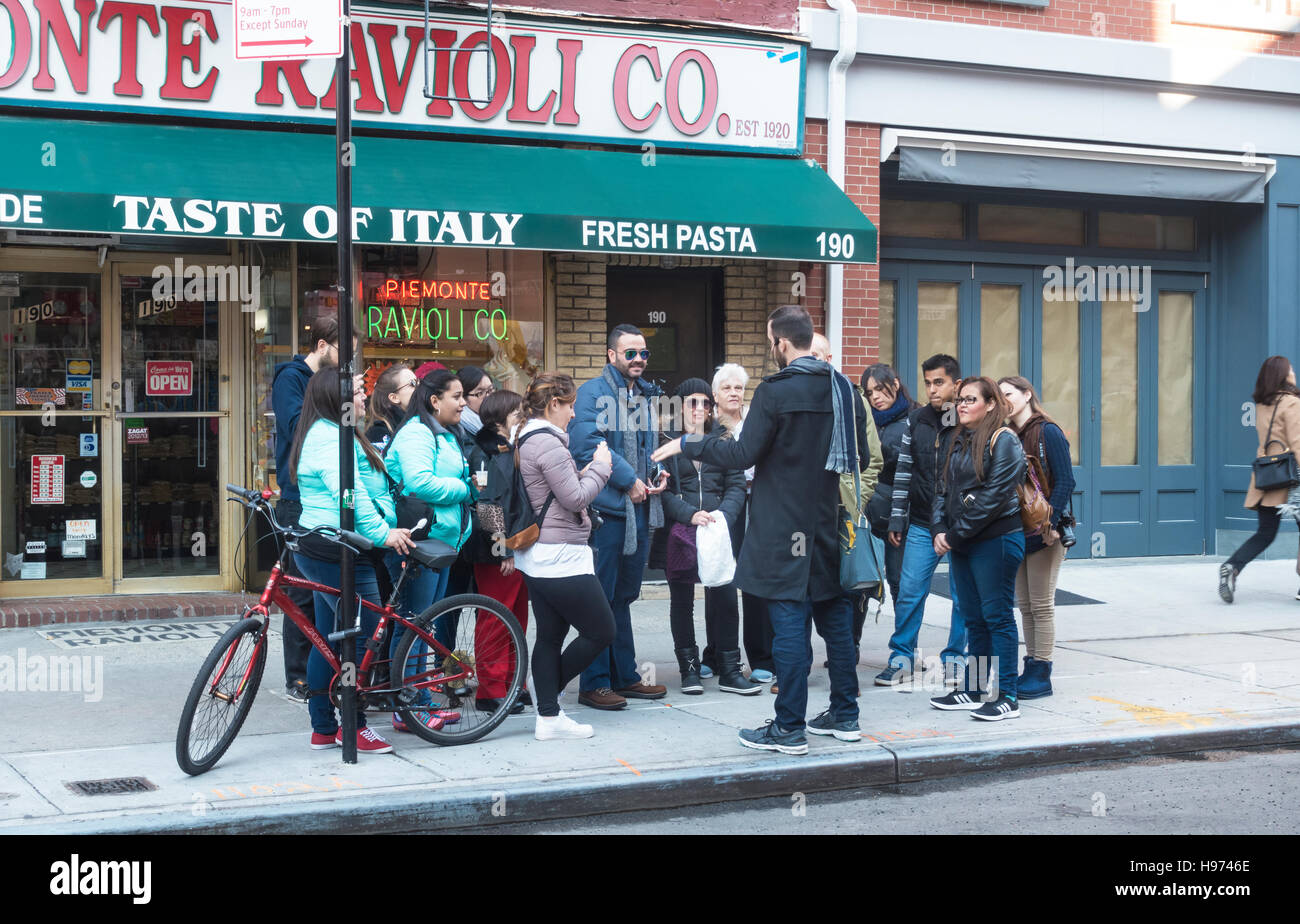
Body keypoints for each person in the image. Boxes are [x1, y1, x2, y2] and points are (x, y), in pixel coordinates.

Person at [653, 305, 871, 755]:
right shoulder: (844, 390)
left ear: (782, 343)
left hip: (781, 528)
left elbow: (742, 455)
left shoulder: (776, 391)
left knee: (789, 622)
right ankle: (845, 715)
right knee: (833, 618)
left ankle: (789, 726)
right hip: (827, 524)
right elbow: (862, 459)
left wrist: (689, 442)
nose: (772, 348)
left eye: (771, 341)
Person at [287, 369, 415, 753]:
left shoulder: (333, 432)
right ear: (338, 399)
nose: (364, 398)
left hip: (329, 546)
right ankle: (353, 727)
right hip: (340, 551)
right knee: (362, 638)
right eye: (359, 392)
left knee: (329, 640)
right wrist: (384, 534)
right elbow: (350, 496)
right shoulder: (331, 439)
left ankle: (324, 728)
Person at [567, 324, 670, 710]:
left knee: (624, 597)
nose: (639, 359)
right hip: (607, 512)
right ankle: (593, 683)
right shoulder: (593, 393)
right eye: (630, 353)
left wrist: (657, 471)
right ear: (612, 355)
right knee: (601, 597)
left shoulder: (643, 396)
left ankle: (624, 676)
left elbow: (645, 448)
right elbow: (586, 446)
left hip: (639, 511)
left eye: (643, 353)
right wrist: (629, 481)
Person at [515, 373, 616, 740]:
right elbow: (574, 499)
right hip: (560, 555)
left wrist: (584, 474)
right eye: (569, 405)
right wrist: (602, 467)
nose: (573, 413)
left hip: (540, 554)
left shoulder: (528, 439)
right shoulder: (549, 444)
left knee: (550, 636)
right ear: (553, 404)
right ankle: (547, 698)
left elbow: (559, 491)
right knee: (602, 630)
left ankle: (548, 718)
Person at [929, 376, 1027, 721]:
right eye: (960, 400)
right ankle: (972, 690)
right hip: (963, 540)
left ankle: (1007, 696)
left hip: (996, 540)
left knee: (997, 616)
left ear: (990, 404)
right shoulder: (957, 439)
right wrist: (940, 528)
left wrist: (954, 536)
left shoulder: (1005, 441)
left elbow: (993, 499)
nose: (962, 405)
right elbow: (942, 489)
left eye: (971, 399)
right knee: (973, 618)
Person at [384, 369, 474, 729]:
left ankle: (419, 700)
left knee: (423, 627)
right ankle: (406, 708)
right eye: (457, 396)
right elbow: (420, 484)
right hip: (419, 543)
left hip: (440, 544)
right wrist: (463, 489)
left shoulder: (444, 433)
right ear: (435, 400)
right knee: (413, 626)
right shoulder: (418, 433)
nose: (464, 403)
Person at [658, 377, 758, 696]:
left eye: (705, 403)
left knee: (725, 597)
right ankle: (689, 671)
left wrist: (722, 516)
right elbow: (664, 492)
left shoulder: (724, 441)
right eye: (692, 402)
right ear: (680, 406)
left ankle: (729, 670)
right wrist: (689, 513)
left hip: (716, 529)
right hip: (683, 529)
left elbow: (735, 486)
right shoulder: (667, 441)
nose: (700, 408)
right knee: (682, 602)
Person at [270, 315, 351, 701]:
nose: (346, 360)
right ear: (321, 347)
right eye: (341, 350)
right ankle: (298, 675)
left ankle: (328, 669)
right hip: (297, 495)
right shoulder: (290, 378)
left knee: (324, 590)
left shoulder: (334, 381)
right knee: (300, 590)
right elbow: (291, 423)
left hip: (326, 494)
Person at [875, 353, 968, 687]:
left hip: (961, 527)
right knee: (911, 592)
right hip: (920, 522)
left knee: (963, 597)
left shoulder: (969, 419)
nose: (932, 389)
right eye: (928, 383)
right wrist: (897, 519)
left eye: (939, 382)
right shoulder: (916, 421)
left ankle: (956, 660)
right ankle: (902, 657)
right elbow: (903, 472)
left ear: (956, 384)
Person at [999, 375, 1075, 699]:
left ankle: (1042, 672)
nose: (1005, 400)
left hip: (1045, 533)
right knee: (1026, 606)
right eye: (999, 396)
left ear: (1027, 394)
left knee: (1041, 605)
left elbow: (1066, 482)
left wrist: (1051, 524)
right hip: (1017, 531)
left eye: (1010, 394)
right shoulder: (1007, 436)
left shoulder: (1047, 432)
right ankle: (1030, 666)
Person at [811, 332, 882, 664]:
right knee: (808, 588)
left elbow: (872, 461)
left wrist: (854, 496)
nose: (812, 363)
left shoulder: (854, 400)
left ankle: (846, 652)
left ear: (829, 360)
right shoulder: (790, 399)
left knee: (851, 586)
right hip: (805, 515)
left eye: (819, 356)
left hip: (843, 512)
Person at [464, 389, 533, 714]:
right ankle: (491, 689)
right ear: (499, 418)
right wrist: (503, 548)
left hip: (516, 546)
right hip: (496, 550)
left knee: (517, 618)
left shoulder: (510, 448)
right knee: (495, 618)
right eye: (517, 412)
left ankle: (513, 684)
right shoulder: (484, 452)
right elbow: (485, 506)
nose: (522, 416)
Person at [712, 363, 774, 685]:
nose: (734, 393)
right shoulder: (710, 427)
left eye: (738, 387)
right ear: (715, 394)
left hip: (759, 501)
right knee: (720, 577)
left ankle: (761, 656)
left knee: (754, 578)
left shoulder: (756, 420)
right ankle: (717, 653)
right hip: (725, 506)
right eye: (727, 388)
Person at [1220, 356, 1300, 603]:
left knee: (1265, 533)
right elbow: (1298, 443)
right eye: (1291, 369)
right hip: (1292, 481)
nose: (1294, 372)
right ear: (1283, 375)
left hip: (1268, 479)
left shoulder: (1261, 405)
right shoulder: (1291, 403)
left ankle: (1232, 566)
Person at [862, 363, 918, 612]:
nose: (875, 397)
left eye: (879, 389)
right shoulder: (865, 422)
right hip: (868, 512)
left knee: (898, 581)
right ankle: (852, 645)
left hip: (901, 514)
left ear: (895, 385)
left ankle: (905, 645)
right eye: (869, 392)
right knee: (860, 580)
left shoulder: (914, 419)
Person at [365, 363, 417, 455]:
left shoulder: (420, 421)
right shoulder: (378, 433)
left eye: (419, 382)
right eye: (413, 384)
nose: (419, 387)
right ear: (394, 397)